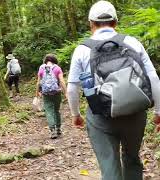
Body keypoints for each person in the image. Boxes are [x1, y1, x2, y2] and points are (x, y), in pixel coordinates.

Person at [67, 1, 160, 180]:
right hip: (135, 113)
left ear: (91, 24)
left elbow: (72, 89)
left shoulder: (82, 50)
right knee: (132, 158)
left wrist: (75, 114)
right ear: (115, 23)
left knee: (109, 164)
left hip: (100, 116)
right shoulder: (133, 42)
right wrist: (158, 111)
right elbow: (154, 79)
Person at [36, 54, 67, 139]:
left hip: (46, 94)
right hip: (56, 93)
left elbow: (38, 82)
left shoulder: (42, 69)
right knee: (56, 110)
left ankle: (52, 131)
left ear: (45, 61)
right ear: (54, 60)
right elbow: (61, 81)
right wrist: (66, 93)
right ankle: (58, 129)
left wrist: (37, 93)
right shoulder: (57, 68)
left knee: (49, 111)